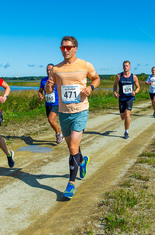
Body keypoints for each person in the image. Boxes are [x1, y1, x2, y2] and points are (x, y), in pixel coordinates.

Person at [45, 36, 100, 199]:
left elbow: (97, 79)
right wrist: (48, 88)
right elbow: (50, 90)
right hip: (64, 112)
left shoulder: (85, 65)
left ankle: (71, 183)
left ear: (75, 48)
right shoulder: (56, 69)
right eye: (62, 48)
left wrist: (90, 88)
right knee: (73, 147)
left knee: (72, 148)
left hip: (81, 110)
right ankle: (82, 162)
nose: (65, 50)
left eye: (68, 47)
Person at [113, 60, 140, 139]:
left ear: (130, 67)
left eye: (127, 65)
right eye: (124, 66)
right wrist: (115, 92)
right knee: (122, 117)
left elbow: (138, 87)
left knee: (127, 114)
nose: (125, 67)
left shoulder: (134, 77)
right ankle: (125, 119)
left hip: (129, 98)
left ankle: (126, 132)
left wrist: (135, 92)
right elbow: (115, 85)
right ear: (122, 67)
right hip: (122, 98)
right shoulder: (118, 76)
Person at [38, 63, 64, 144]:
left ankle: (58, 134)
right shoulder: (43, 80)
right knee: (51, 121)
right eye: (47, 70)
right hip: (48, 104)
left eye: (50, 70)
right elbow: (40, 90)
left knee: (51, 119)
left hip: (57, 103)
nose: (48, 71)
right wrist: (40, 95)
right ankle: (60, 132)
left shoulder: (58, 79)